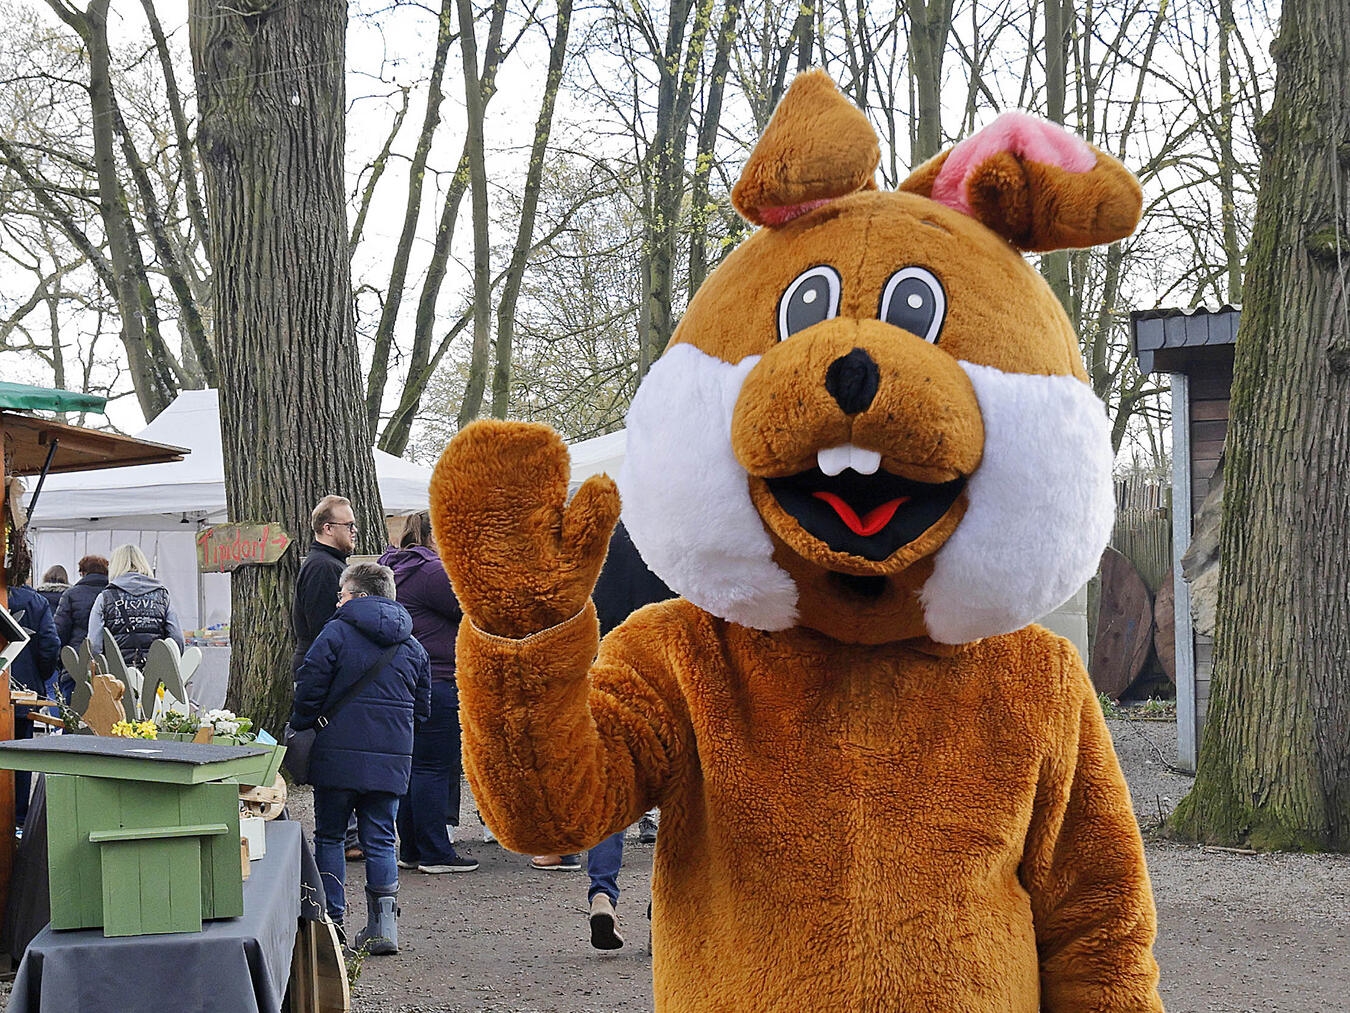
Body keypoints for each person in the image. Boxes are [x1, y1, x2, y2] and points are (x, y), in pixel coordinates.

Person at [290, 562, 430, 954]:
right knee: (383, 838)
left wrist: (304, 725)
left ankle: (331, 924)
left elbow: (308, 688)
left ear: (360, 595)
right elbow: (423, 707)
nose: (339, 599)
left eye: (343, 593)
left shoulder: (334, 633)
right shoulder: (412, 644)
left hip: (335, 753)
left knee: (331, 836)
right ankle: (384, 928)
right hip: (391, 758)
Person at [583, 522, 673, 949]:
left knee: (614, 797)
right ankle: (663, 910)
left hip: (610, 674)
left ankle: (602, 895)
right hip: (669, 679)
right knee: (679, 800)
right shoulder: (679, 538)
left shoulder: (606, 543)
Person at [378, 511, 476, 873]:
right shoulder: (432, 571)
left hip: (407, 679)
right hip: (438, 678)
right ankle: (436, 852)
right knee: (434, 767)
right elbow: (473, 606)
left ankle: (412, 848)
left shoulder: (394, 567)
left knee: (413, 766)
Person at [293, 495, 362, 860]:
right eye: (348, 525)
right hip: (324, 672)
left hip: (324, 669)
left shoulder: (327, 563)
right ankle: (345, 836)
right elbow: (326, 631)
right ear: (326, 529)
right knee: (333, 751)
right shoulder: (323, 568)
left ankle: (348, 835)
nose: (354, 531)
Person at [5, 576, 60, 830]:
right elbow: (50, 645)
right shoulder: (35, 601)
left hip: (20, 693)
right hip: (22, 695)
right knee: (20, 762)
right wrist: (39, 676)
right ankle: (17, 822)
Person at [88, 544, 184, 667]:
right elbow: (177, 639)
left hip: (118, 675)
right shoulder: (162, 595)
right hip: (154, 673)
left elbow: (95, 644)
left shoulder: (105, 597)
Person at [53, 555, 110, 700]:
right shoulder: (112, 594)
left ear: (82, 572)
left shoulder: (71, 594)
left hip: (77, 664)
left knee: (75, 712)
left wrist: (62, 661)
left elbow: (60, 631)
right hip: (108, 664)